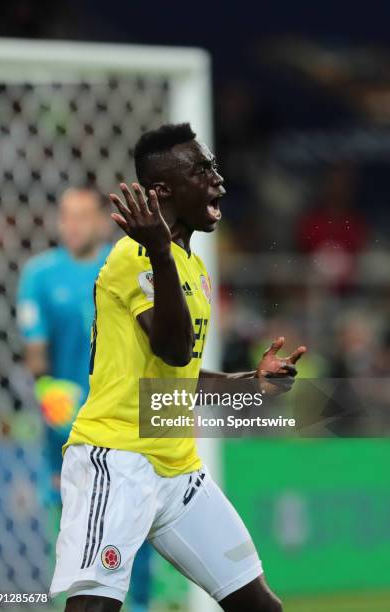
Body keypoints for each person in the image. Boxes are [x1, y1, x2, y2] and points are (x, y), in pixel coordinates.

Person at [49, 124, 306, 612]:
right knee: (94, 609)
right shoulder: (134, 256)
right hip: (117, 459)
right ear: (163, 190)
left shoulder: (191, 266)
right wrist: (161, 251)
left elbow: (179, 377)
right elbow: (172, 347)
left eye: (213, 167)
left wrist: (251, 384)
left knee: (260, 606)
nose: (218, 181)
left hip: (177, 468)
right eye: (202, 170)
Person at [17, 187, 152, 612]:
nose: (72, 225)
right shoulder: (39, 275)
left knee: (136, 515)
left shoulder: (123, 265)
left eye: (82, 216)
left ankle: (140, 604)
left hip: (124, 418)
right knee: (73, 523)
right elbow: (35, 351)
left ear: (100, 221)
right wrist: (47, 391)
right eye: (66, 216)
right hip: (66, 424)